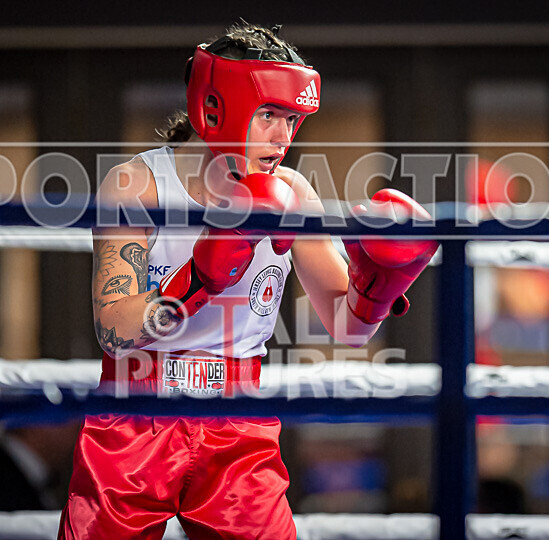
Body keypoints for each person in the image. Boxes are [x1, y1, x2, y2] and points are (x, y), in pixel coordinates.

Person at [58, 22, 438, 539]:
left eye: (292, 119)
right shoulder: (137, 184)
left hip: (237, 420)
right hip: (134, 410)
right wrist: (201, 276)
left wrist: (380, 281)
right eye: (268, 116)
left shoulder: (292, 193)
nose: (283, 138)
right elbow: (113, 328)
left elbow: (348, 327)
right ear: (215, 108)